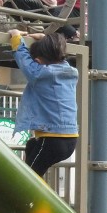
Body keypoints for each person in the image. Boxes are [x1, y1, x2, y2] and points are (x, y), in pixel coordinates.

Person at [10, 30, 78, 177]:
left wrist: (16, 37)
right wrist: (46, 39)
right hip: (71, 139)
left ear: (38, 61)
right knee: (31, 146)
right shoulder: (70, 71)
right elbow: (59, 54)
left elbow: (24, 61)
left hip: (52, 139)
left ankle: (28, 192)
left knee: (28, 178)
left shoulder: (40, 74)